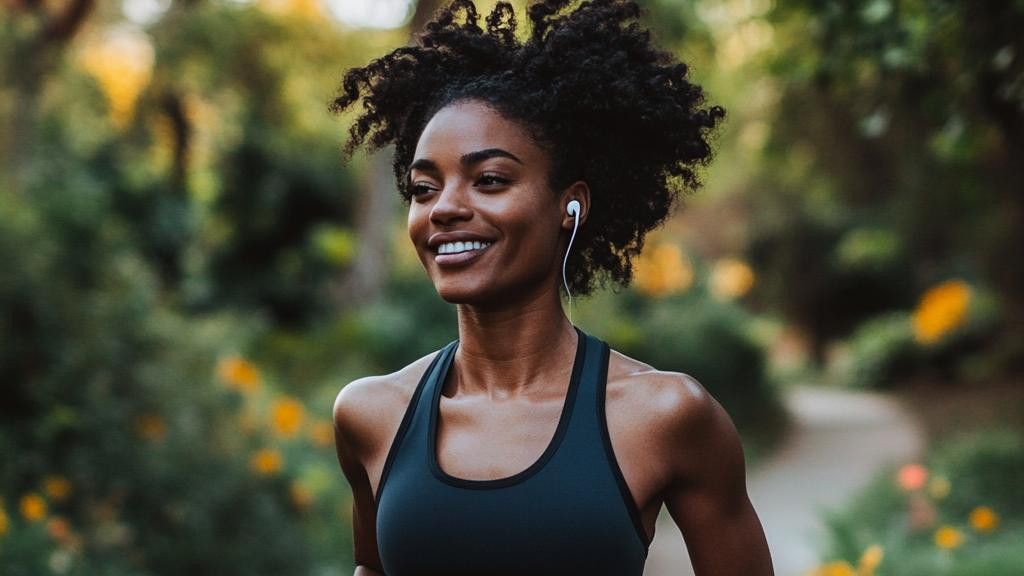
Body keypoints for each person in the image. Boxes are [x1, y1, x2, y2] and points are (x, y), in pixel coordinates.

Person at [330, 1, 774, 574]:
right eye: (423, 188)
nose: (444, 208)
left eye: (489, 180)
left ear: (571, 206)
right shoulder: (371, 413)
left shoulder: (664, 416)